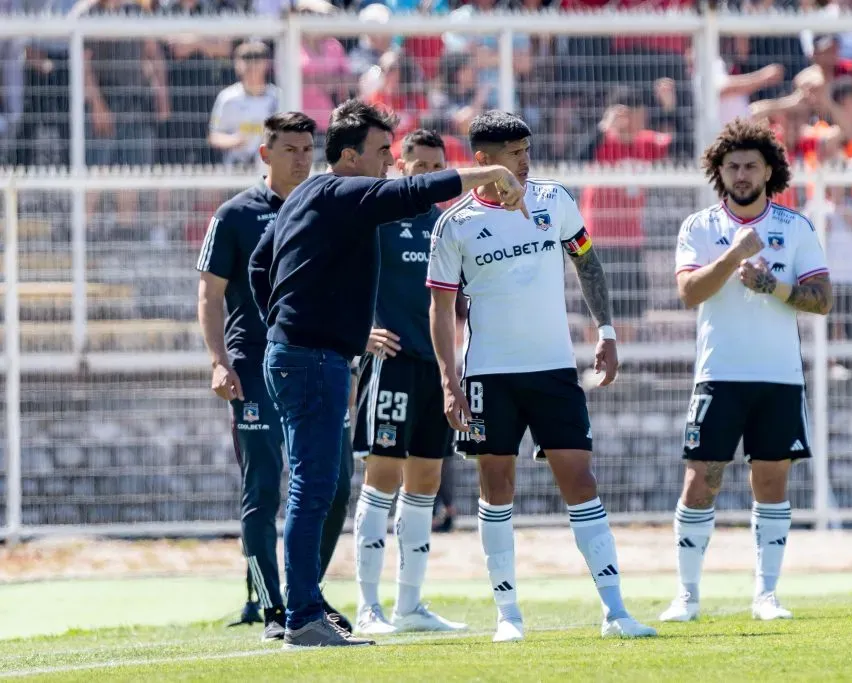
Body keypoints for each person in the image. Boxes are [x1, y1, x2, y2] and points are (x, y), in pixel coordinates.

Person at [247, 99, 527, 649]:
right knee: (314, 487)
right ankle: (301, 612)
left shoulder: (306, 195)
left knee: (318, 485)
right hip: (313, 359)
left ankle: (304, 603)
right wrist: (487, 172)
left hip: (300, 355)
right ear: (349, 156)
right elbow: (414, 192)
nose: (388, 162)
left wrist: (280, 322)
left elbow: (260, 261)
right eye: (381, 151)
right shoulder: (344, 190)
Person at [427, 110, 657, 643]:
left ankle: (616, 611)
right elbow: (440, 308)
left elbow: (587, 263)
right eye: (514, 154)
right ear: (483, 161)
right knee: (496, 487)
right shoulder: (455, 222)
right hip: (490, 375)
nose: (525, 161)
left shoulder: (555, 200)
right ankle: (508, 616)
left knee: (580, 481)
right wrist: (448, 376)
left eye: (527, 150)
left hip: (555, 371)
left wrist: (607, 331)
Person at [664, 119, 832, 624]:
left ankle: (766, 595)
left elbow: (822, 300)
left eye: (750, 166)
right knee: (701, 481)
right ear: (719, 171)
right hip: (718, 375)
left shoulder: (796, 227)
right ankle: (687, 596)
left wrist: (771, 287)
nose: (740, 174)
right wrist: (735, 255)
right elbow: (689, 293)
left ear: (768, 171)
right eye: (732, 166)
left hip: (778, 379)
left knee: (771, 483)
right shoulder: (699, 227)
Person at [196, 112, 354, 641]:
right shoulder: (235, 214)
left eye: (309, 148)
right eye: (290, 149)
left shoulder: (323, 208)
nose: (302, 158)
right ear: (265, 154)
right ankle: (271, 609)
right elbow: (210, 295)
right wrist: (219, 361)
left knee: (333, 486)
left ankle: (306, 591)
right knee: (264, 489)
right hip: (253, 367)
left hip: (317, 363)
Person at [350, 129, 468, 635]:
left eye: (436, 166)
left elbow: (459, 304)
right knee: (381, 481)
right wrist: (360, 333)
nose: (427, 174)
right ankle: (367, 607)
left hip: (435, 368)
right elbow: (339, 279)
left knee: (425, 485)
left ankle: (410, 606)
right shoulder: (377, 217)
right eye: (418, 166)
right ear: (400, 166)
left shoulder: (448, 225)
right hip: (391, 365)